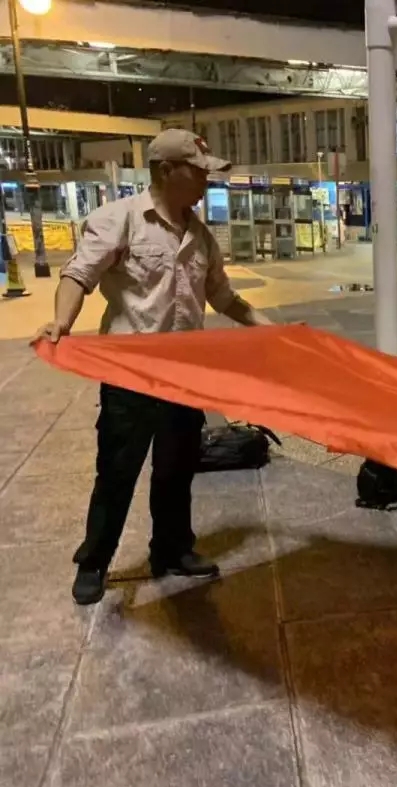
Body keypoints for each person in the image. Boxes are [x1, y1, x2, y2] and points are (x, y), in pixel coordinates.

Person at [32, 128, 273, 606]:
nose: (206, 181)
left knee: (176, 468)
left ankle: (172, 548)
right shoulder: (120, 220)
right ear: (167, 170)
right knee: (117, 470)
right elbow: (79, 274)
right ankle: (94, 561)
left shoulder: (201, 236)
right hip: (131, 374)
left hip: (184, 374)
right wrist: (62, 321)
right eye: (198, 172)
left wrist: (274, 331)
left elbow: (225, 298)